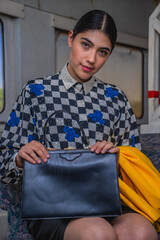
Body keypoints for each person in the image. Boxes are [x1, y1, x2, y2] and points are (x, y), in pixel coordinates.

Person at [0, 9, 158, 240]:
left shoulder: (116, 98)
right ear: (71, 38)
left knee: (143, 232)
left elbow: (135, 164)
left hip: (106, 201)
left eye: (102, 52)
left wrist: (115, 157)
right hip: (51, 206)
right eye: (86, 45)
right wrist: (20, 158)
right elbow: (4, 163)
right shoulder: (36, 92)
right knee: (97, 233)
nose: (91, 59)